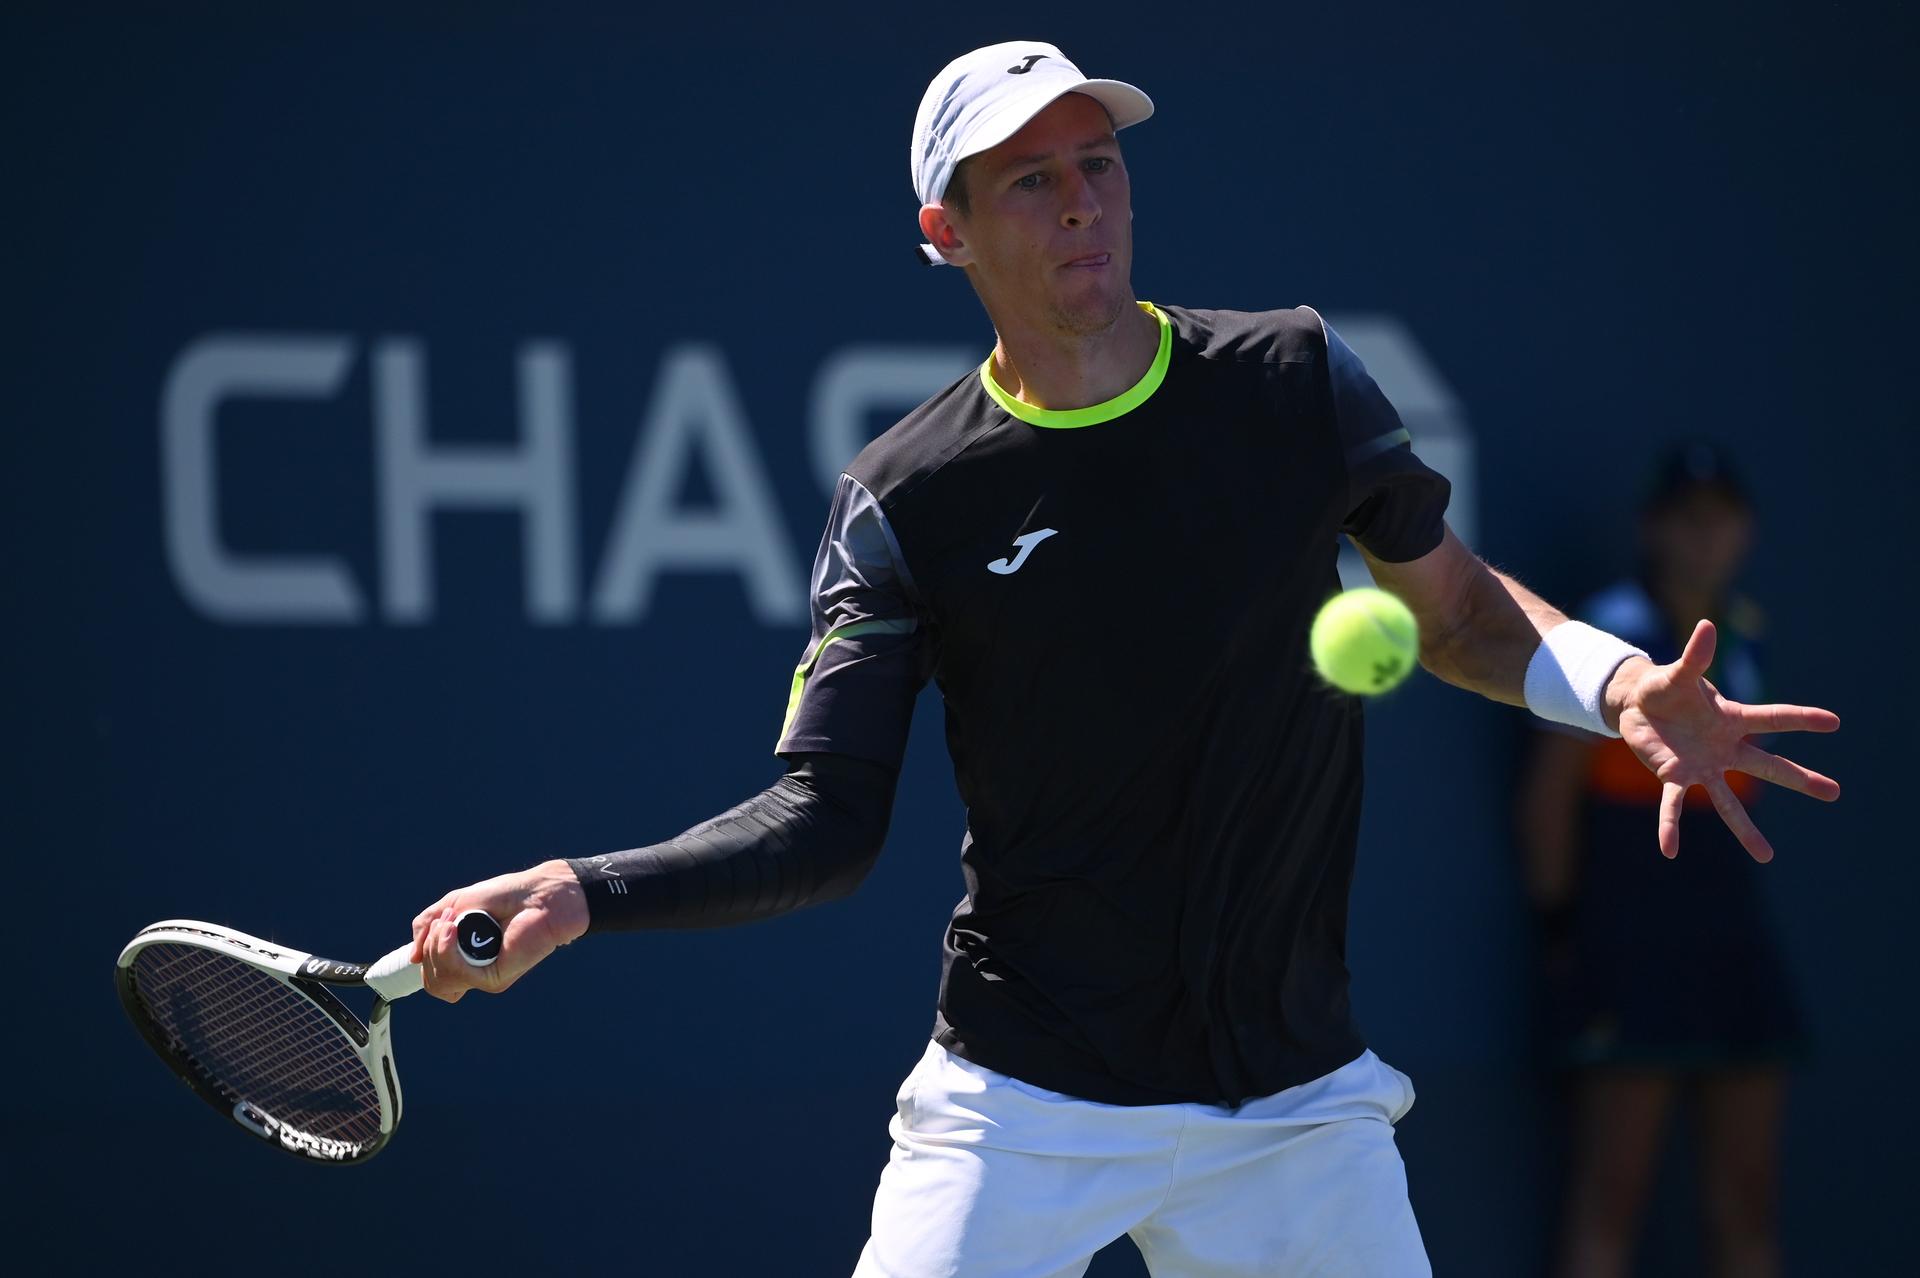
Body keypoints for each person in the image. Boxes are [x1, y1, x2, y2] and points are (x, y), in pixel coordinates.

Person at [404, 43, 1841, 1276]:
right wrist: (581, 891)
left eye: (1099, 163)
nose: (1083, 201)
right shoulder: (905, 499)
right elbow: (824, 820)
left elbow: (1457, 612)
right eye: (1031, 180)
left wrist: (1617, 685)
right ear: (948, 230)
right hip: (1023, 1099)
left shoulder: (1294, 380)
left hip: (1295, 1106)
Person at [1518, 444, 1808, 1278]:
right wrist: (1562, 928)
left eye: (1722, 519)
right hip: (1628, 946)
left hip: (1733, 943)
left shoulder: (1746, 632)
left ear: (1746, 531)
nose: (1706, 537)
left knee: (1748, 1200)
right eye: (1688, 518)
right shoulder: (1607, 640)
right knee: (1612, 1194)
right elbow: (1548, 797)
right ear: (1654, 528)